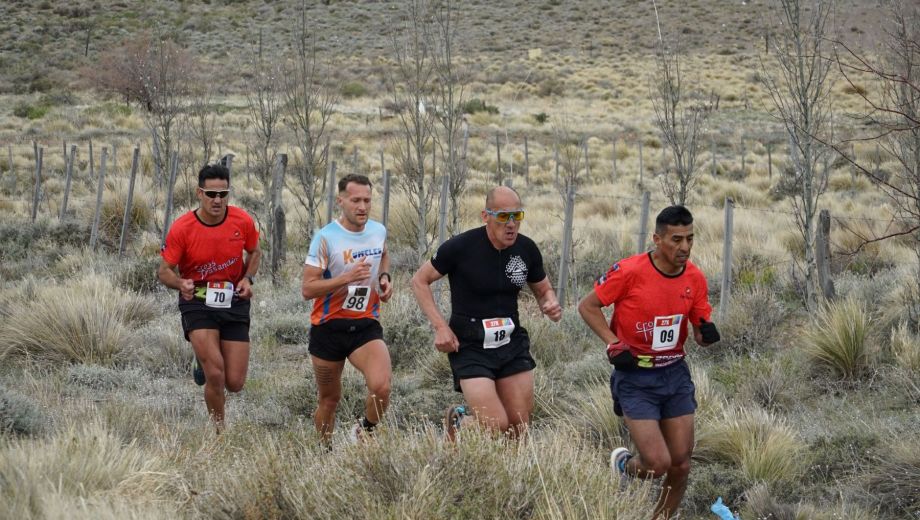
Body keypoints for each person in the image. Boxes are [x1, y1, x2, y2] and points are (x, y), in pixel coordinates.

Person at [577, 205, 720, 519]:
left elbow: (699, 330)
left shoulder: (694, 277)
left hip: (675, 375)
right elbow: (587, 306)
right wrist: (614, 343)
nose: (684, 247)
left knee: (681, 463)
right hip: (636, 377)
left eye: (690, 239)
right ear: (657, 239)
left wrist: (705, 333)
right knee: (657, 464)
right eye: (676, 240)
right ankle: (625, 465)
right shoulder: (629, 271)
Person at [411, 186, 562, 440]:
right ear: (485, 216)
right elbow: (419, 281)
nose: (512, 224)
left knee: (519, 427)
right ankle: (460, 422)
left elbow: (543, 288)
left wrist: (550, 303)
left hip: (511, 343)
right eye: (504, 217)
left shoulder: (526, 249)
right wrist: (440, 326)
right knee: (495, 425)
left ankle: (512, 478)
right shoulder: (461, 247)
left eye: (517, 216)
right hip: (470, 345)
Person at [157, 163, 261, 433]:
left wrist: (248, 278)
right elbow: (163, 271)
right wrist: (181, 283)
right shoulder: (182, 228)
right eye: (211, 194)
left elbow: (255, 252)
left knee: (234, 382)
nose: (217, 200)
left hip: (233, 301)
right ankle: (219, 431)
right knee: (215, 372)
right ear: (199, 193)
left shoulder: (242, 221)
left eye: (223, 194)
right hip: (198, 303)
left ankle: (201, 359)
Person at [301, 173, 392, 443]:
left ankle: (364, 432)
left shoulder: (378, 231)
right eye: (355, 200)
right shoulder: (325, 238)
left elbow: (384, 254)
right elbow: (307, 289)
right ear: (341, 201)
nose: (362, 207)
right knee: (329, 399)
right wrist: (345, 278)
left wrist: (384, 279)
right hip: (328, 327)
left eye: (367, 200)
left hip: (365, 324)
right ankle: (323, 451)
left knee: (382, 386)